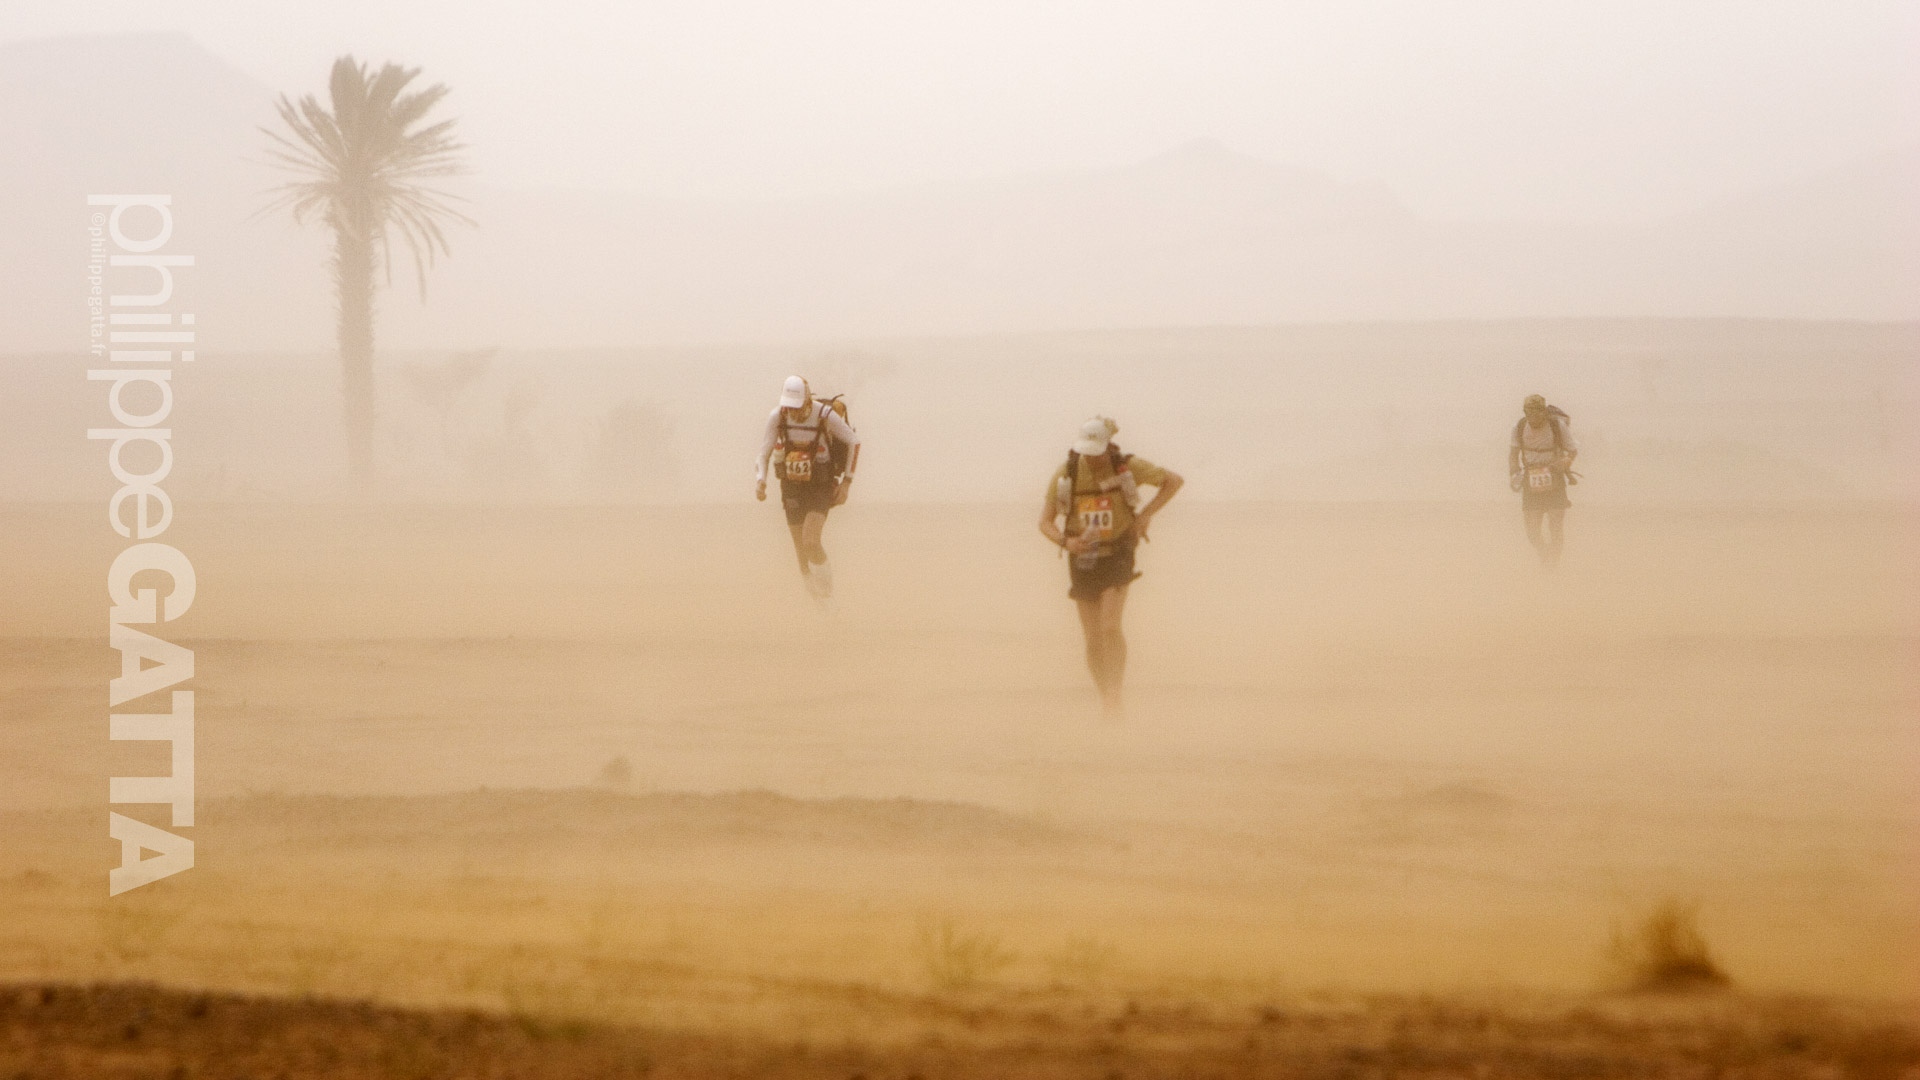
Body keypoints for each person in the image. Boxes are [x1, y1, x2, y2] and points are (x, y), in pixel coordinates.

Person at [1037, 417, 1182, 718]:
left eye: (1097, 451)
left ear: (1108, 446)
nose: (1092, 457)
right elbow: (1045, 523)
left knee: (1110, 628)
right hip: (1083, 559)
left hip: (1117, 553)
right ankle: (1106, 697)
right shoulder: (1068, 474)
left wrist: (1145, 515)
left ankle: (1114, 694)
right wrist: (1067, 542)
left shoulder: (1127, 467)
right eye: (1087, 451)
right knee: (1092, 637)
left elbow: (1174, 481)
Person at [756, 376, 860, 600]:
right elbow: (764, 452)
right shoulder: (778, 417)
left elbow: (853, 441)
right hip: (791, 487)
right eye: (788, 405)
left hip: (819, 486)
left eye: (795, 406)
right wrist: (760, 480)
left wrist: (847, 482)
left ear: (806, 401)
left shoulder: (824, 415)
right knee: (801, 553)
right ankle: (820, 606)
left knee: (811, 541)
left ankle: (828, 591)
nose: (791, 410)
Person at [1507, 394, 1578, 567]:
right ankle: (1544, 553)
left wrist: (1566, 461)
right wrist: (1514, 474)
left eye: (1537, 414)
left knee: (1555, 526)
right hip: (1530, 480)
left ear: (1544, 412)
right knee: (1532, 531)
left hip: (1555, 478)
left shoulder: (1557, 426)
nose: (1533, 418)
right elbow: (1513, 454)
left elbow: (1572, 450)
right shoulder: (1519, 427)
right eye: (1529, 414)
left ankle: (1553, 562)